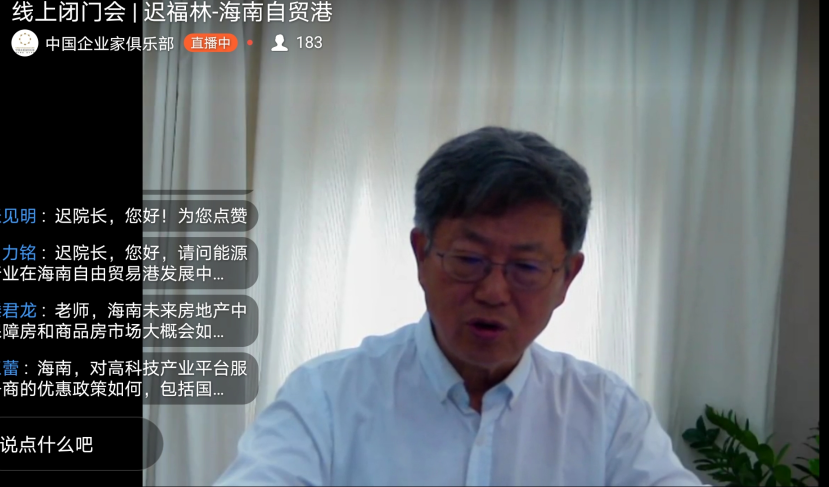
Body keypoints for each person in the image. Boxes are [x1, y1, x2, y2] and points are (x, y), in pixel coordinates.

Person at [214, 127, 704, 486]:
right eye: (469, 260)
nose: (493, 292)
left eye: (526, 268)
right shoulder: (327, 397)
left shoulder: (608, 414)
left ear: (567, 278)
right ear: (421, 254)